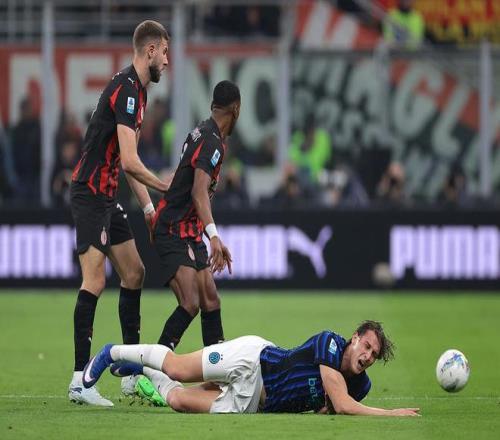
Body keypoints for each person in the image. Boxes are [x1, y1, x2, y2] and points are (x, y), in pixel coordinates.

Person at [68, 20, 171, 406]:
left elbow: (127, 164)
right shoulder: (127, 90)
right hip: (90, 192)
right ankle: (79, 380)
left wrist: (147, 207)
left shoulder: (137, 92)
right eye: (164, 52)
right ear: (150, 51)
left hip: (107, 196)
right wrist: (164, 188)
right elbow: (130, 161)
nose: (167, 60)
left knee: (134, 272)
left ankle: (128, 373)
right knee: (94, 280)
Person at [82, 320, 420, 416]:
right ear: (354, 338)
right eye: (366, 346)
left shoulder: (361, 386)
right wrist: (391, 414)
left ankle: (143, 368)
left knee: (178, 401)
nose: (368, 356)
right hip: (252, 360)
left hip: (253, 404)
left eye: (374, 355)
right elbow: (342, 405)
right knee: (179, 369)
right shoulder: (330, 343)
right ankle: (113, 352)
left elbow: (328, 409)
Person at [152, 81, 239, 352]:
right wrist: (213, 237)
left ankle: (217, 368)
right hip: (172, 227)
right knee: (190, 303)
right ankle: (150, 367)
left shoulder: (201, 131)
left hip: (188, 228)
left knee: (210, 300)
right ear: (236, 109)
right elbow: (198, 192)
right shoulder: (212, 142)